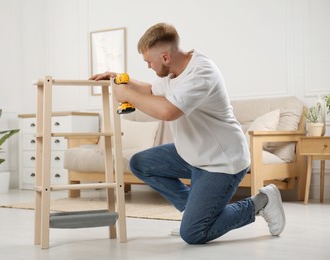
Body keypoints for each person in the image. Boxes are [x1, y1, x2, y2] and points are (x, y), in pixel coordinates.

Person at [90, 22, 285, 244]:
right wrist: (119, 78)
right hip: (192, 153)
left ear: (164, 57)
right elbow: (153, 91)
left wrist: (126, 94)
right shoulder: (172, 71)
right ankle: (193, 213)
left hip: (222, 161)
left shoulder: (201, 73)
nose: (148, 67)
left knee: (193, 234)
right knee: (140, 162)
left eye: (149, 62)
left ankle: (261, 202)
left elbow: (168, 111)